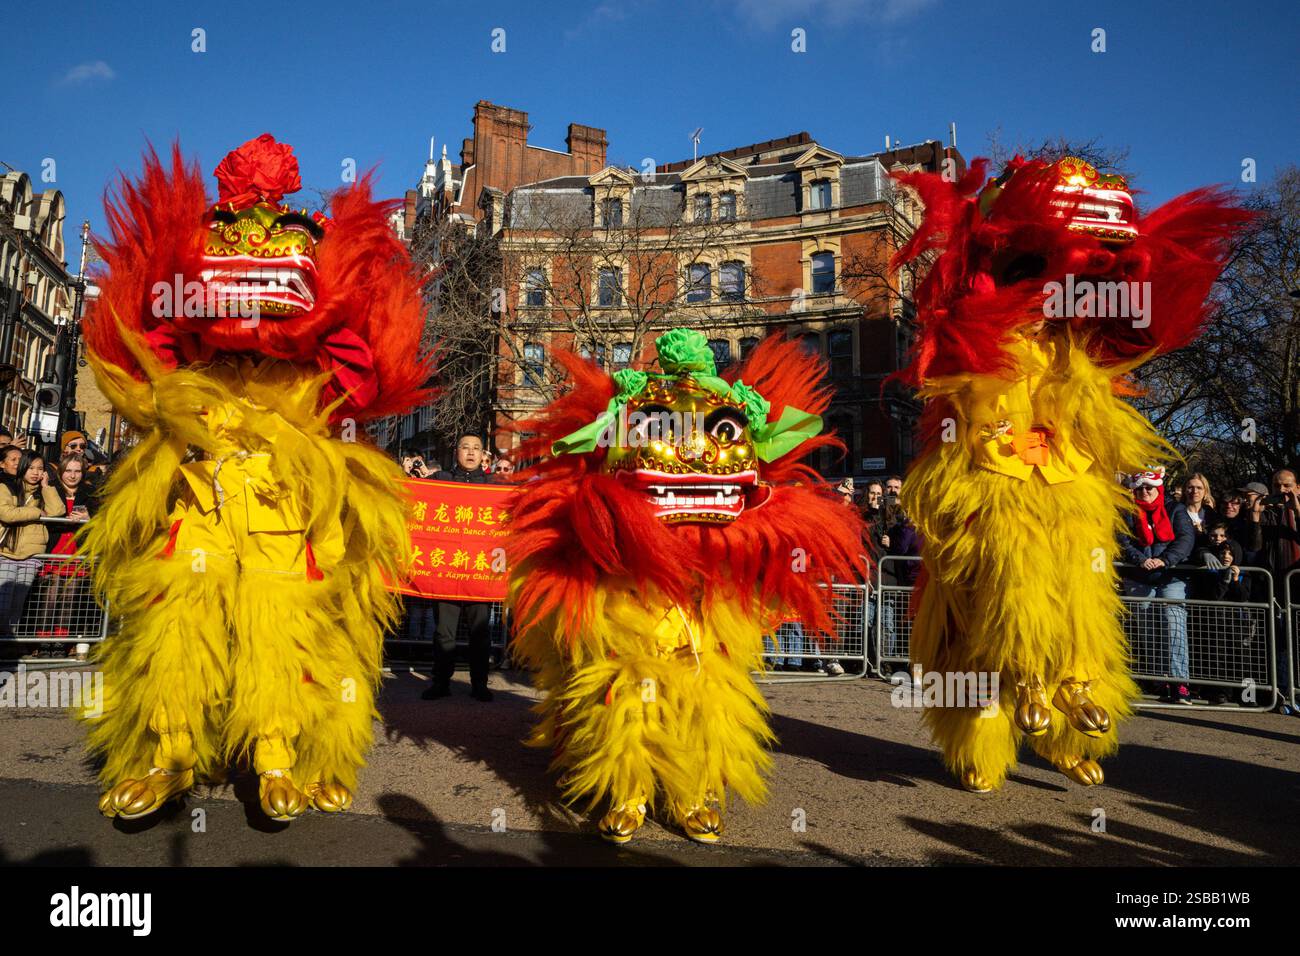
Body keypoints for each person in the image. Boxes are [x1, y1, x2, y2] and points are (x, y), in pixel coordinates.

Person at [423, 433, 498, 702]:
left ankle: (480, 683)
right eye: (465, 447)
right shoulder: (440, 480)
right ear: (456, 451)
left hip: (481, 572)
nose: (470, 452)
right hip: (446, 570)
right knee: (444, 633)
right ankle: (441, 682)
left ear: (483, 455)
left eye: (476, 448)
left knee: (480, 634)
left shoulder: (495, 485)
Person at [1121, 471, 1196, 704]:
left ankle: (1179, 682)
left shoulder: (1176, 509)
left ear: (1158, 489)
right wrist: (1139, 559)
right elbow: (1122, 540)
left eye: (1149, 488)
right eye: (1140, 488)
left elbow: (1185, 539)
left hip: (1170, 576)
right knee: (1147, 628)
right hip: (1139, 576)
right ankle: (1159, 678)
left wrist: (1166, 559)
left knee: (1174, 623)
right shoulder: (1127, 511)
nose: (1144, 492)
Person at [35, 454, 98, 656]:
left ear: (83, 472)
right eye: (68, 471)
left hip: (77, 550)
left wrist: (89, 517)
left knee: (70, 598)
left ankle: (61, 642)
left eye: (77, 471)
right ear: (61, 471)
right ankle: (44, 642)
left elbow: (104, 516)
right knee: (50, 597)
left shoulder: (91, 493)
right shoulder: (50, 488)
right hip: (55, 547)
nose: (72, 475)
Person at [0, 450, 66, 637]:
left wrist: (46, 486)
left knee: (16, 607)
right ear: (23, 468)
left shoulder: (43, 492)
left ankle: (7, 646)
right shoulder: (6, 487)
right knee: (2, 606)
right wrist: (36, 512)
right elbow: (6, 513)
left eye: (40, 468)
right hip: (6, 553)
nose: (36, 472)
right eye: (31, 468)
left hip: (31, 555)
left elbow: (57, 511)